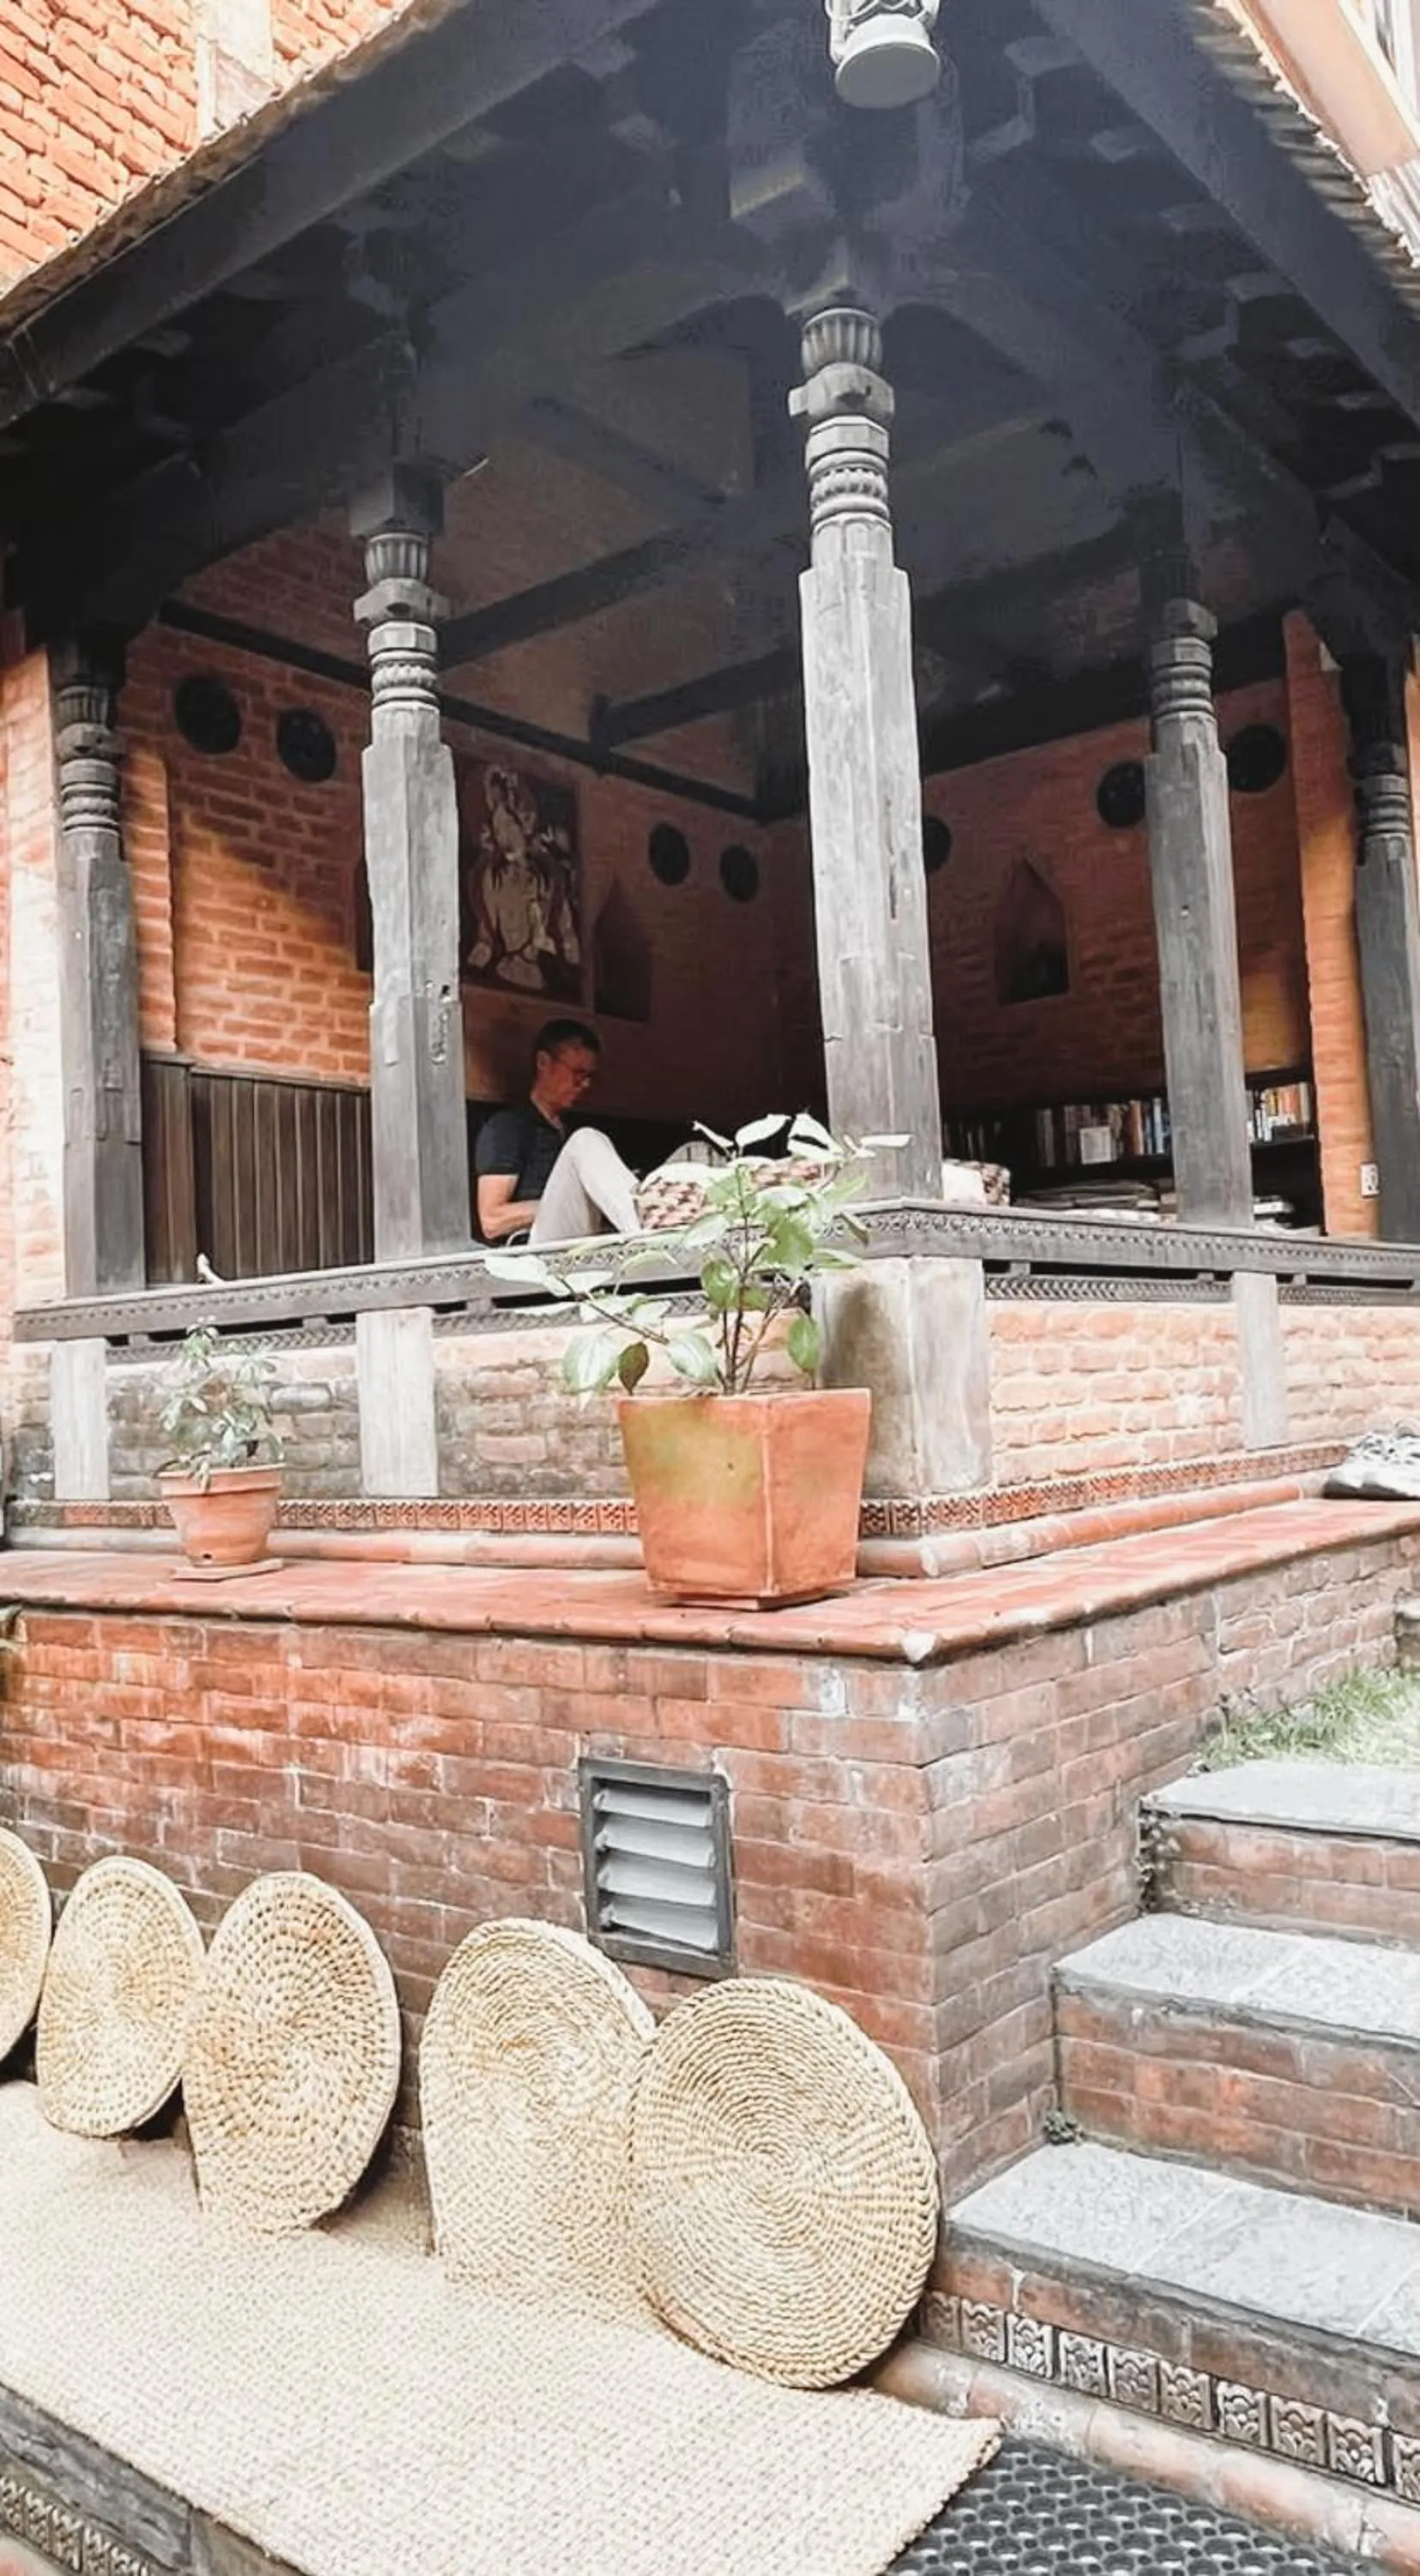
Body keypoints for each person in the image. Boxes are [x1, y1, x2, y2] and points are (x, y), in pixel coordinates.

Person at [474, 1020, 641, 1246]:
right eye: (578, 1073)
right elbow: (492, 1220)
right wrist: (567, 1201)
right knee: (586, 1141)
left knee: (693, 1153)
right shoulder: (508, 1126)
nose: (584, 1084)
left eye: (589, 1076)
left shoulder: (566, 1131)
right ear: (543, 1062)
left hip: (583, 1243)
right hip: (532, 1252)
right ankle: (649, 1234)